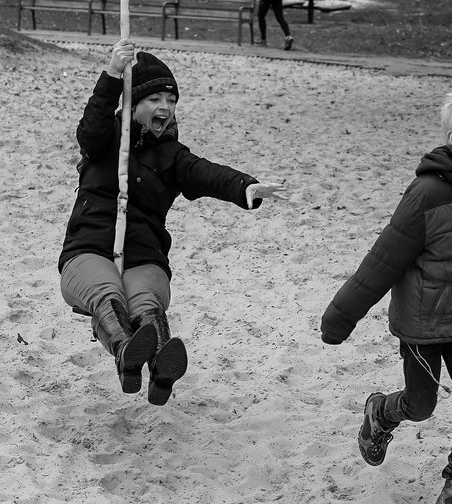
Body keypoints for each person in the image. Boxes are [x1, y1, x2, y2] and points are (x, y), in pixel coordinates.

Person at [321, 73, 452, 504]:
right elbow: (383, 260)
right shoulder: (426, 195)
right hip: (422, 325)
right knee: (421, 405)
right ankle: (381, 412)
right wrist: (340, 319)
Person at [58, 40, 287, 405]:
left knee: (145, 302)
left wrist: (247, 187)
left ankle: (161, 369)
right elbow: (91, 127)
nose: (165, 107)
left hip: (144, 255)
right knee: (107, 295)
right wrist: (113, 75)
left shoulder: (172, 156)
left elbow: (207, 174)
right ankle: (126, 354)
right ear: (133, 105)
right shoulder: (105, 141)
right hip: (89, 248)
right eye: (154, 100)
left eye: (171, 101)